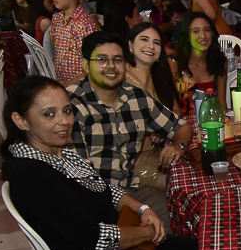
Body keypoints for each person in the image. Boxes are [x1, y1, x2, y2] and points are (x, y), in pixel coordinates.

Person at [1, 76, 197, 250]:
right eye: (49, 114)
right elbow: (94, 239)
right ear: (21, 120)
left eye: (66, 111)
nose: (64, 121)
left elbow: (104, 190)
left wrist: (142, 208)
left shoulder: (61, 153)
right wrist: (148, 233)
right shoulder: (32, 174)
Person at [68, 32, 193, 227]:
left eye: (117, 60)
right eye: (102, 59)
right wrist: (138, 208)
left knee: (181, 210)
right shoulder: (71, 105)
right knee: (153, 223)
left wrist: (179, 145)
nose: (111, 66)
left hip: (129, 188)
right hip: (88, 197)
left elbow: (181, 126)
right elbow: (81, 179)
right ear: (86, 65)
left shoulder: (136, 98)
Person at [44, 0, 100, 85]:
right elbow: (54, 43)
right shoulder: (57, 18)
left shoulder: (84, 24)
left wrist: (67, 88)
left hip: (81, 88)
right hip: (62, 84)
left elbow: (90, 66)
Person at [176, 12, 228, 114]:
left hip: (211, 121)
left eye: (207, 30)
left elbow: (221, 103)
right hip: (181, 122)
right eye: (196, 31)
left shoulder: (219, 61)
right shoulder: (175, 65)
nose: (203, 36)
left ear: (212, 33)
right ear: (187, 36)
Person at [126, 23, 181, 114]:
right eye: (144, 39)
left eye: (156, 43)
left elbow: (177, 112)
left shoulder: (161, 77)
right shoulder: (120, 76)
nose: (151, 46)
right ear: (130, 45)